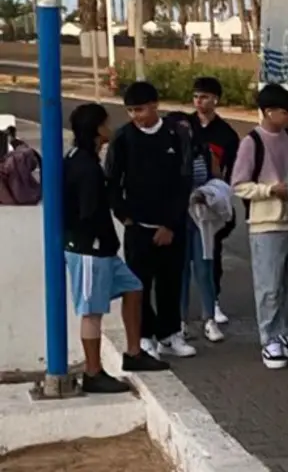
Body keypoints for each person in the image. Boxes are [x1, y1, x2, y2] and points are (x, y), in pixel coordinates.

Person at [65, 103, 170, 393]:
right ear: (97, 128)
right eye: (106, 123)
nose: (110, 127)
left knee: (134, 288)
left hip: (104, 249)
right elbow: (85, 212)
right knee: (92, 311)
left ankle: (134, 353)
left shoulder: (83, 159)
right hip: (90, 250)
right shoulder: (85, 167)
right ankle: (92, 372)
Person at [106, 81, 197, 359]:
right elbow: (111, 182)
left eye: (141, 109)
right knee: (138, 285)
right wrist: (127, 218)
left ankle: (170, 333)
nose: (137, 116)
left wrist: (170, 224)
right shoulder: (122, 138)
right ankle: (145, 336)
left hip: (172, 227)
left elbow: (185, 181)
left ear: (155, 105)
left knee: (171, 282)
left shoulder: (177, 134)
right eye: (131, 110)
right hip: (138, 227)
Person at [231, 84, 288, 370]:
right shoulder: (252, 141)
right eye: (284, 111)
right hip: (267, 224)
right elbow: (238, 185)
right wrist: (270, 190)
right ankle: (269, 338)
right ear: (267, 112)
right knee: (270, 287)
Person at [165, 110, 223, 344]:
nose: (184, 132)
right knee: (181, 271)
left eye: (186, 127)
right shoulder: (167, 153)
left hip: (200, 216)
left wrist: (207, 193)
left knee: (204, 267)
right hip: (177, 218)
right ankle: (180, 321)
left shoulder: (203, 152)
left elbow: (217, 179)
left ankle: (209, 319)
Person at [188, 76, 238, 326]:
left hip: (211, 200)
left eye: (205, 97)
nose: (199, 102)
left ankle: (213, 301)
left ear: (215, 100)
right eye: (196, 96)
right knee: (185, 256)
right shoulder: (184, 125)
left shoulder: (226, 134)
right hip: (186, 199)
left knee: (211, 253)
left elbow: (232, 170)